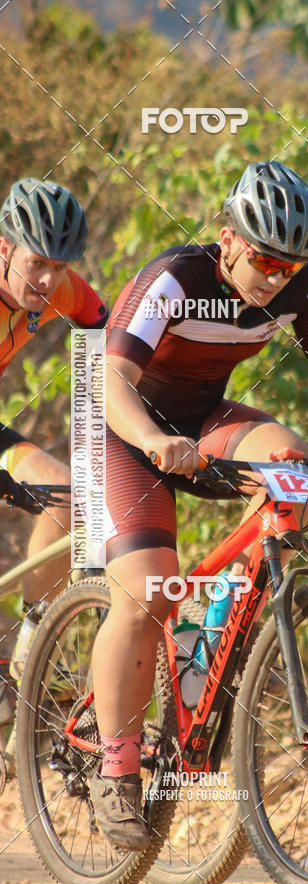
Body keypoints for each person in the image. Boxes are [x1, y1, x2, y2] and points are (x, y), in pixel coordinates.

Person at [90, 160, 308, 849]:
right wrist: (152, 438)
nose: (277, 277)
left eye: (293, 266)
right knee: (148, 591)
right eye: (266, 259)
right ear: (229, 240)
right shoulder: (175, 278)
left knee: (290, 460)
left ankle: (207, 641)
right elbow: (110, 378)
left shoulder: (299, 286)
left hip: (205, 423)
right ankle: (115, 773)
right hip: (124, 429)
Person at [0, 178, 108, 733]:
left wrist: (100, 444)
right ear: (4, 249)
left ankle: (29, 653)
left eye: (61, 266)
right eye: (38, 262)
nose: (48, 280)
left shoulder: (59, 288)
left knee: (71, 495)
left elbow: (102, 340)